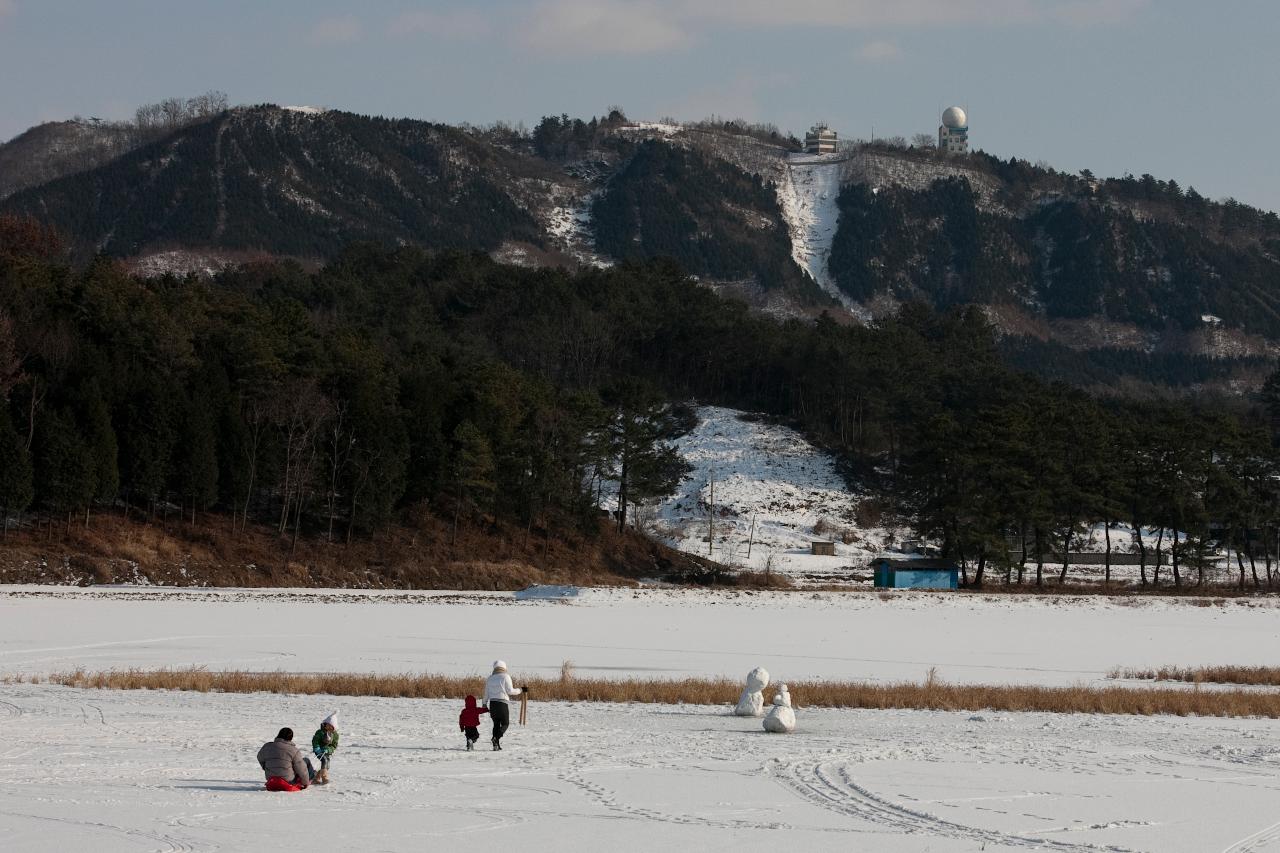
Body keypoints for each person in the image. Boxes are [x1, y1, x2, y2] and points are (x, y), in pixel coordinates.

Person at [482, 660, 527, 751]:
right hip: (502, 704)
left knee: (496, 724)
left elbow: (486, 693)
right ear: (504, 667)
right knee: (505, 723)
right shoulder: (506, 676)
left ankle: (496, 745)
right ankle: (496, 738)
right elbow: (510, 691)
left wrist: (484, 704)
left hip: (493, 704)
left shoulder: (490, 678)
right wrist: (521, 690)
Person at [257, 727, 315, 792]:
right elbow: (301, 769)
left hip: (271, 778)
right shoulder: (293, 750)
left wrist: (265, 767)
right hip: (288, 781)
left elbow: (259, 757)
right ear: (290, 738)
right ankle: (311, 778)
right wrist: (305, 783)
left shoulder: (267, 746)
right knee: (306, 761)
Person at [311, 712, 339, 784]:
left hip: (326, 751)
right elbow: (315, 740)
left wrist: (329, 749)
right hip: (319, 750)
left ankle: (316, 778)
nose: (328, 727)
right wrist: (317, 748)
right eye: (327, 725)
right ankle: (324, 778)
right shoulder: (320, 732)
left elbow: (334, 745)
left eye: (331, 726)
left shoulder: (335, 735)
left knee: (327, 765)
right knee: (324, 760)